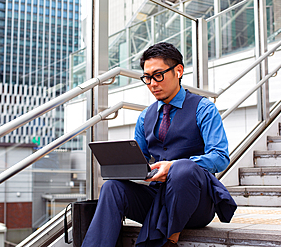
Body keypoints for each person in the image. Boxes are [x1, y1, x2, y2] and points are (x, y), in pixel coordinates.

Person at [82, 42, 236, 247]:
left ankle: (169, 239)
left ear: (178, 71)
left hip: (196, 204)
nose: (152, 83)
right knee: (112, 187)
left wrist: (173, 166)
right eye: (147, 77)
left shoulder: (204, 108)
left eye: (158, 75)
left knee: (183, 169)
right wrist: (127, 166)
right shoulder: (145, 116)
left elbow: (220, 156)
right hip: (157, 199)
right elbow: (142, 159)